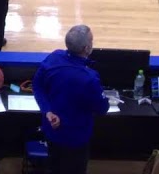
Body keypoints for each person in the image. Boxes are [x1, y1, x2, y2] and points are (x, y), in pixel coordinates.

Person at [32, 24, 110, 174]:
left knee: (55, 166)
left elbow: (37, 86)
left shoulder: (54, 57)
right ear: (86, 48)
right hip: (76, 139)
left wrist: (47, 111)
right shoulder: (89, 79)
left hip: (51, 131)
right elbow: (102, 108)